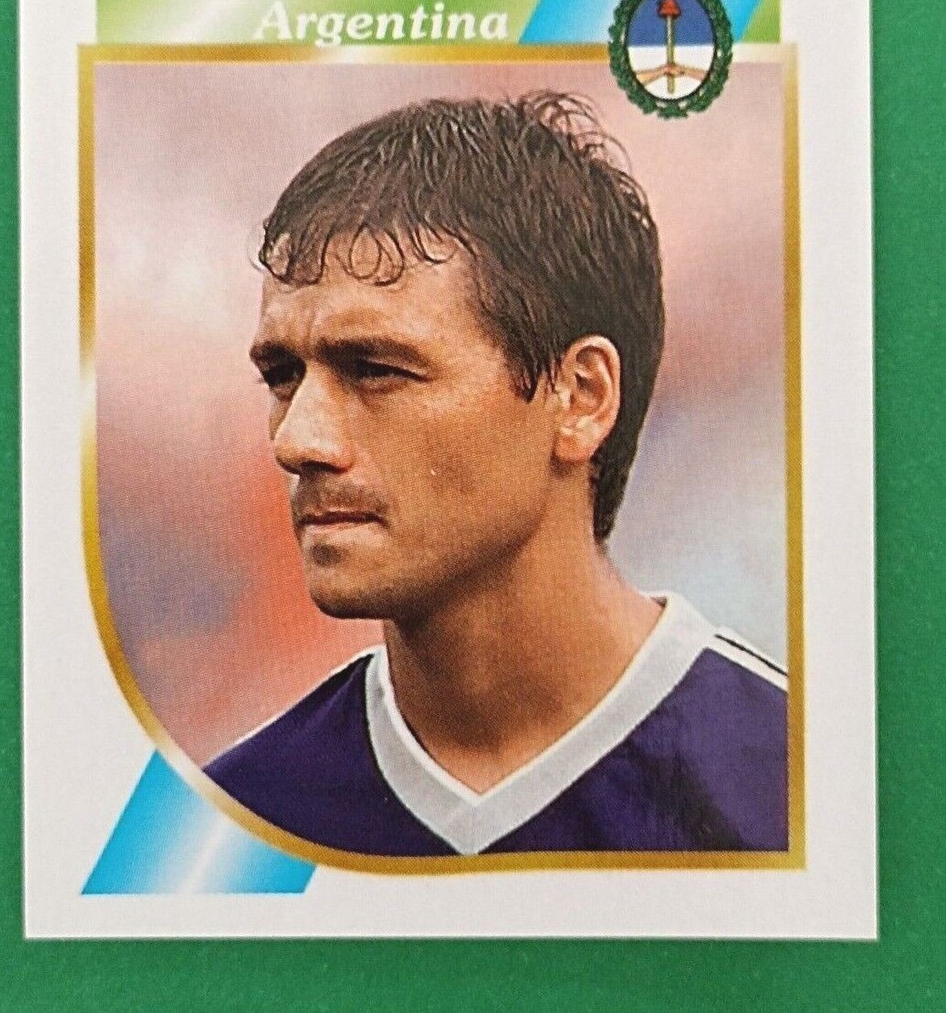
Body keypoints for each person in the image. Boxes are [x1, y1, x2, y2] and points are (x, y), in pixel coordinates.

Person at [206, 93, 787, 856]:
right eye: (283, 376)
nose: (296, 440)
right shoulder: (225, 829)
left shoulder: (798, 788)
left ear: (580, 397)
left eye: (375, 369)